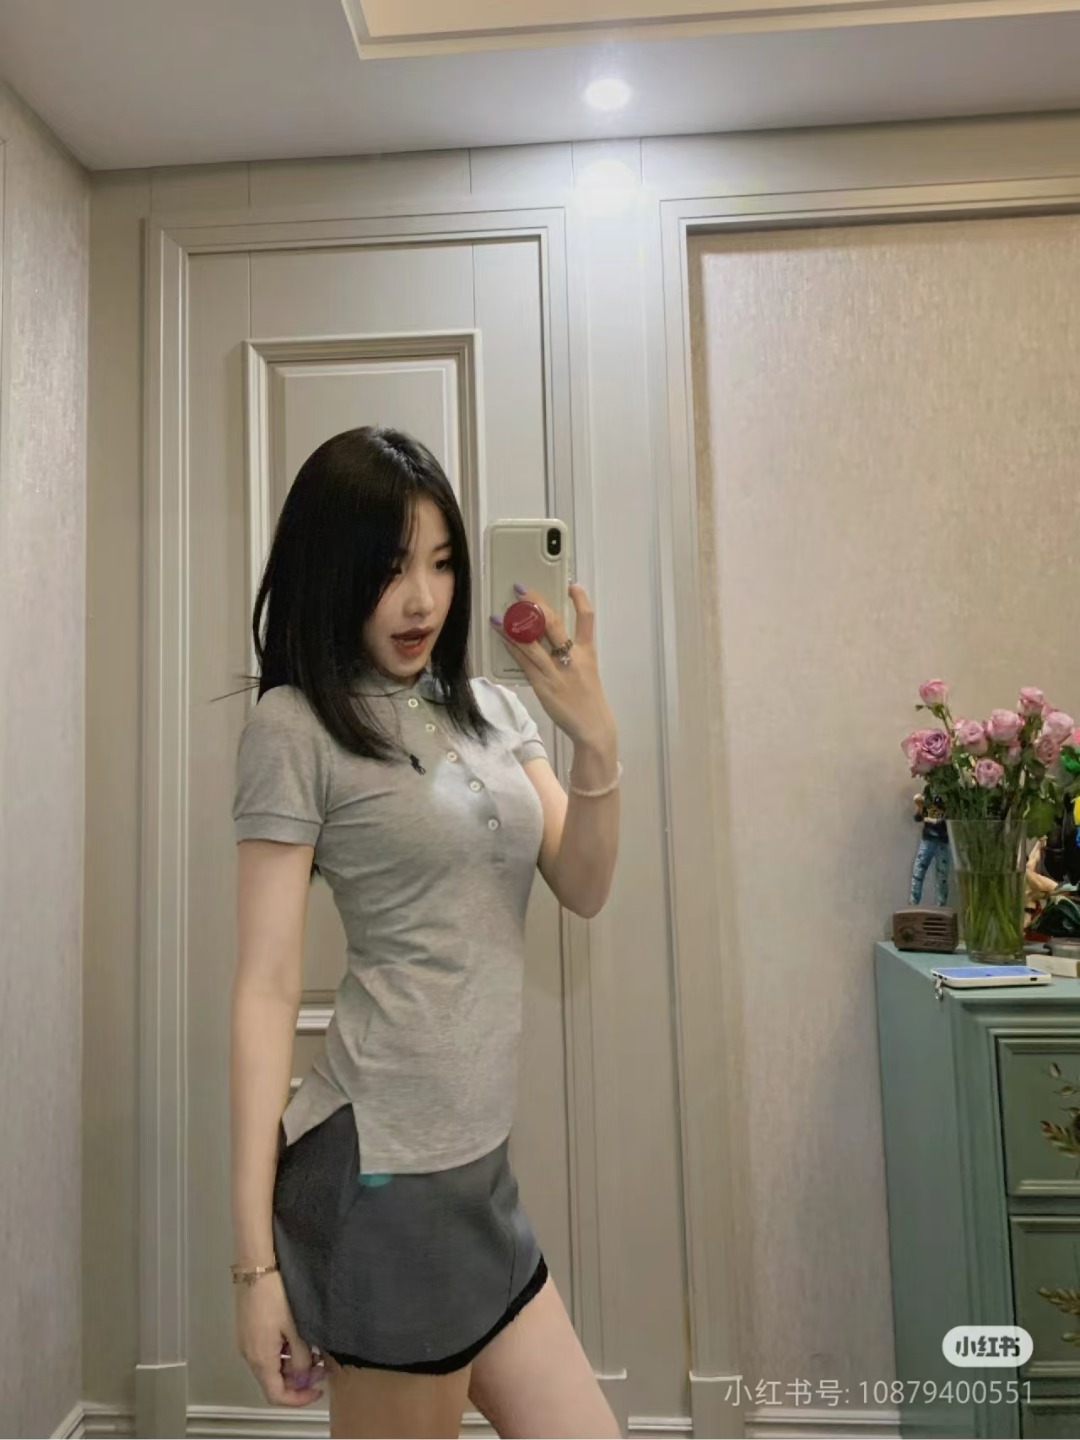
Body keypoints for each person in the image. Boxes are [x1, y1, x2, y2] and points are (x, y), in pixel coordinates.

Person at [229, 426, 623, 1440]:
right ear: (332, 571)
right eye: (389, 568)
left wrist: (596, 741)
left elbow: (583, 884)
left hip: (480, 1179)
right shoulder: (294, 728)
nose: (422, 600)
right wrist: (256, 1270)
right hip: (383, 1184)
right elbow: (265, 989)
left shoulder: (491, 708)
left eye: (442, 563)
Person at [909, 791, 950, 907]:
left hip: (942, 841)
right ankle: (913, 903)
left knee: (942, 876)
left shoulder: (948, 796)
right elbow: (918, 817)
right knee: (918, 871)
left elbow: (943, 819)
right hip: (927, 840)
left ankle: (941, 905)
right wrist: (919, 807)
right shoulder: (928, 794)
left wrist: (929, 819)